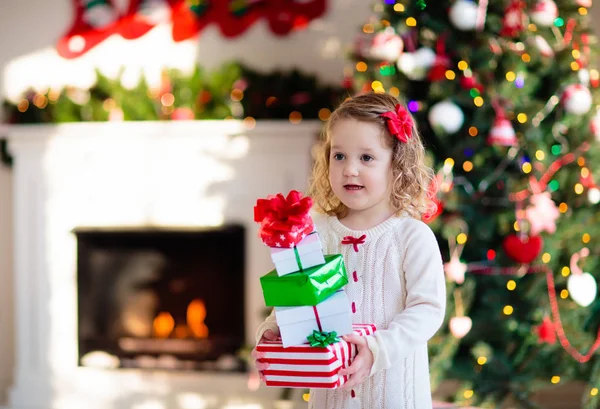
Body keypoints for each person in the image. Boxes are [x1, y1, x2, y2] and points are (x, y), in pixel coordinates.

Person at [252, 92, 446, 409]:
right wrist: (273, 330)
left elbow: (427, 310)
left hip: (394, 397)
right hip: (331, 401)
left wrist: (377, 348)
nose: (349, 169)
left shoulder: (411, 236)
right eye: (339, 156)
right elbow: (298, 296)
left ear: (397, 165)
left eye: (366, 158)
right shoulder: (315, 231)